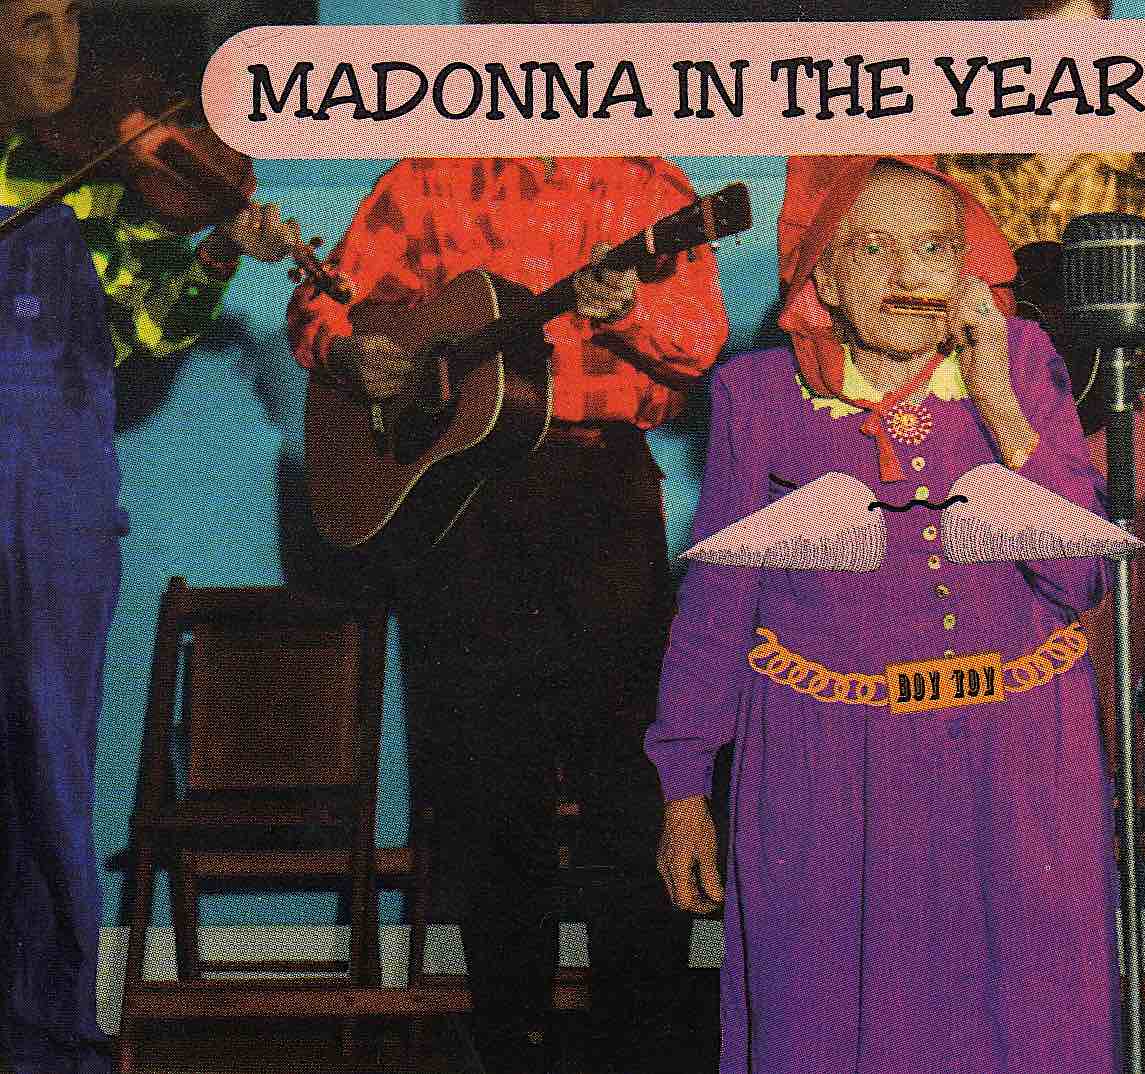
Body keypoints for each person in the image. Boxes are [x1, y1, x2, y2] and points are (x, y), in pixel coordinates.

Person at [649, 155, 1117, 1074]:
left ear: (967, 268)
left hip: (1015, 762)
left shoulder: (1024, 364)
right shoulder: (756, 395)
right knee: (831, 1028)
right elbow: (717, 608)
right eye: (873, 248)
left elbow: (1082, 575)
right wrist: (683, 787)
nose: (908, 275)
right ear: (822, 276)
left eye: (934, 248)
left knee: (1027, 1028)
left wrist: (1000, 405)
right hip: (827, 773)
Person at [286, 155, 728, 1074]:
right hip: (459, 500)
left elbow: (699, 343)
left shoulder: (649, 185)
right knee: (486, 790)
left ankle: (639, 1048)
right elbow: (325, 301)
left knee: (629, 783)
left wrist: (629, 311)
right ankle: (507, 1044)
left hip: (603, 488)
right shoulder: (428, 177)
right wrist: (346, 354)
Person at [0, 3, 299, 1072]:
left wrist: (216, 253)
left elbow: (143, 327)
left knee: (47, 769)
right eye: (32, 26)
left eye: (72, 23)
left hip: (52, 516)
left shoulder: (91, 186)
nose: (64, 55)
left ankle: (45, 1035)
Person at [938, 0, 1145, 862]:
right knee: (962, 661)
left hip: (1106, 438)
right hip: (959, 436)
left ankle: (1081, 875)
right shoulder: (950, 161)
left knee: (1095, 666)